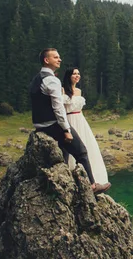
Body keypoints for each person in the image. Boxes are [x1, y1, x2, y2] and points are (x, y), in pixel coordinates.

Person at [29, 48, 108, 194]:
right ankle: (92, 186)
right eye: (56, 57)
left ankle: (66, 180)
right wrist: (66, 130)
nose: (59, 60)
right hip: (53, 124)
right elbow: (58, 108)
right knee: (82, 152)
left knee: (64, 153)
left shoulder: (37, 78)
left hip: (40, 125)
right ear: (47, 60)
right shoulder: (51, 80)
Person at [62, 67, 111, 193]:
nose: (77, 76)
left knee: (88, 147)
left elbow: (80, 109)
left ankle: (92, 178)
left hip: (80, 119)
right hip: (68, 119)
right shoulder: (62, 90)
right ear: (69, 76)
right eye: (74, 74)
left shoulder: (78, 90)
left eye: (78, 74)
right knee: (71, 149)